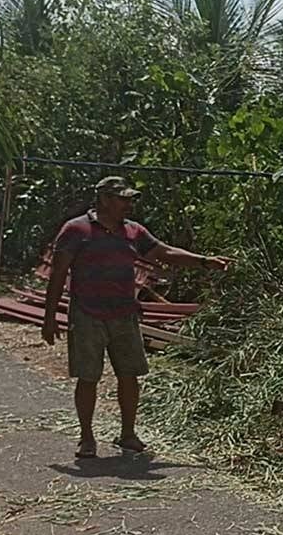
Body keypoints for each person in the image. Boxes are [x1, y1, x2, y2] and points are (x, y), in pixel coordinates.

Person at [42, 176, 231, 458]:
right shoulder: (76, 230)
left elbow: (165, 252)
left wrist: (204, 261)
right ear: (105, 199)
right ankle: (87, 437)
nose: (129, 205)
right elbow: (58, 274)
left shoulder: (133, 231)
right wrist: (49, 317)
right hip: (87, 314)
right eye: (123, 199)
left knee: (129, 375)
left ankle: (128, 434)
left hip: (124, 314)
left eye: (130, 199)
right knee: (88, 377)